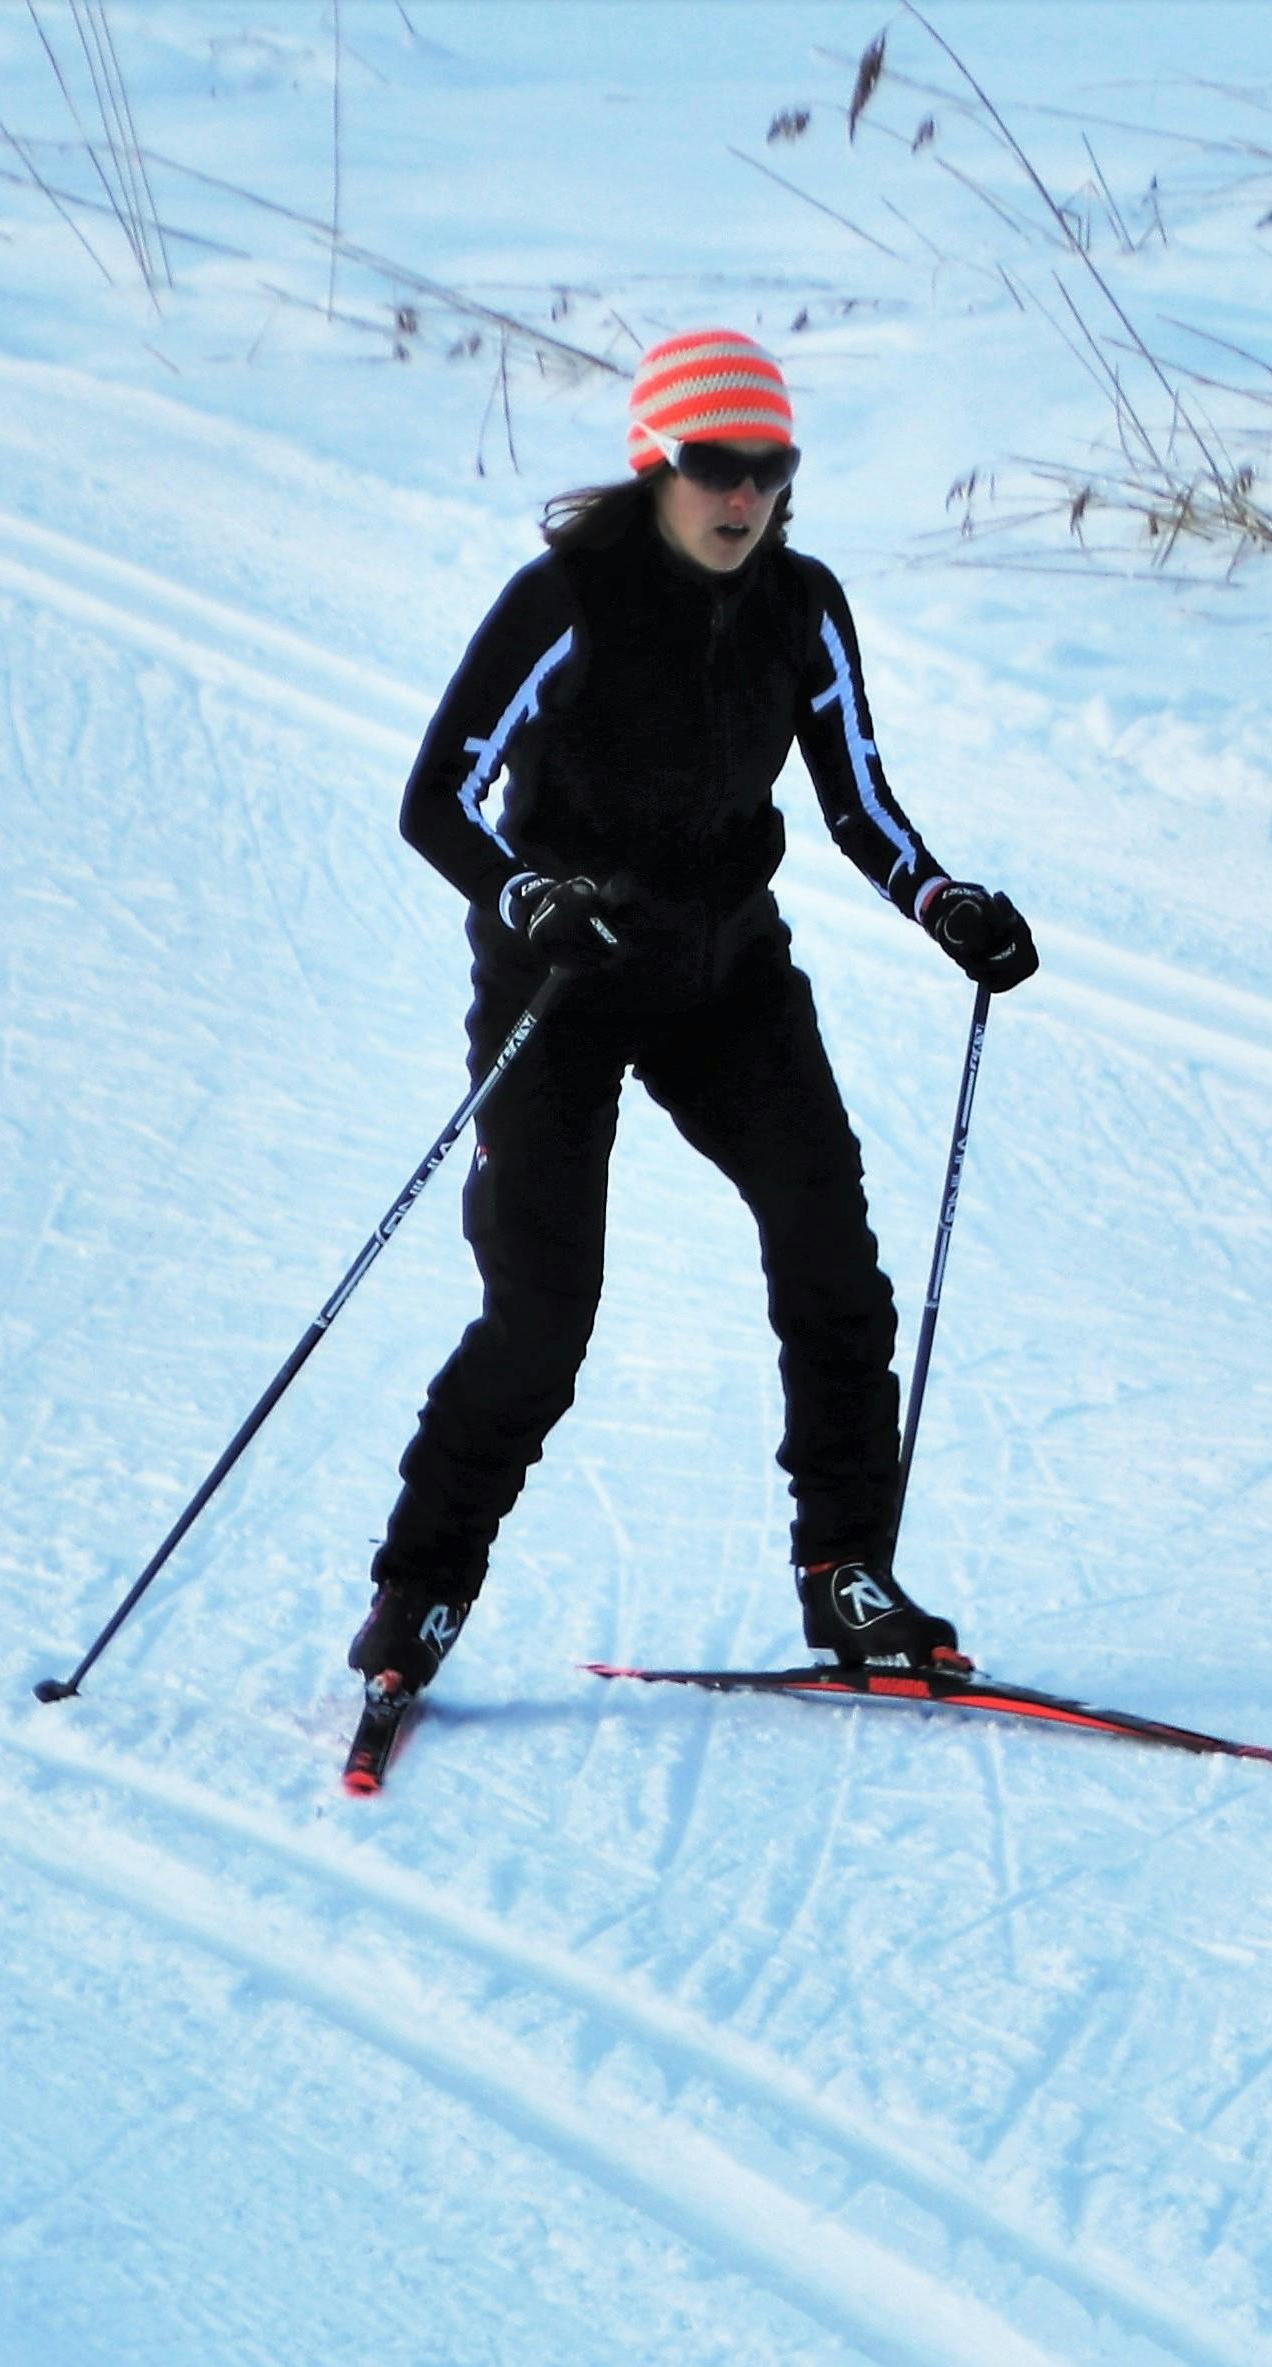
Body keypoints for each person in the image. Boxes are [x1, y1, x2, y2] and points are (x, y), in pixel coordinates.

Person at [353, 326, 1041, 1730]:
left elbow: (859, 803)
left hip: (729, 980)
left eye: (769, 469)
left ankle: (849, 1569)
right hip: (564, 985)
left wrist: (945, 901)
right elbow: (440, 800)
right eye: (714, 468)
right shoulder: (565, 601)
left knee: (830, 1252)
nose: (743, 498)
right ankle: (418, 1598)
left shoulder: (803, 605)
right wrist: (527, 893)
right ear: (656, 468)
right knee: (544, 1315)